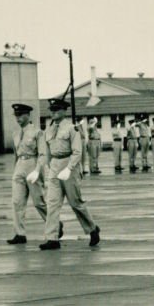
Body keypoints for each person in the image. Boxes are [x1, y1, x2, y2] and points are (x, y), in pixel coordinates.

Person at [38, 97, 101, 250]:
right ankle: (52, 238)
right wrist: (49, 167)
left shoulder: (72, 129)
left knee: (75, 203)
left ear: (64, 111)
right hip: (55, 166)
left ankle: (92, 228)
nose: (53, 113)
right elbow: (47, 151)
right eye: (52, 110)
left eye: (57, 110)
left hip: (69, 166)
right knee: (52, 204)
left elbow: (77, 151)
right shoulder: (49, 130)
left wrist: (69, 168)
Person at [7, 102, 51, 243]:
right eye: (16, 115)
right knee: (17, 202)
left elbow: (42, 154)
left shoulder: (37, 132)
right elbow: (16, 154)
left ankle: (54, 225)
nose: (17, 118)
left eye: (20, 115)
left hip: (32, 164)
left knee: (39, 202)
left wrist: (38, 170)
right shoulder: (15, 133)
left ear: (28, 115)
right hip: (20, 165)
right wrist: (15, 170)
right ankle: (20, 234)